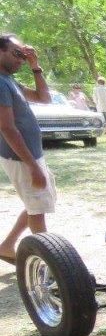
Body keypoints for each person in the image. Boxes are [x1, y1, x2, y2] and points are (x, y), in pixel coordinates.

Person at [0, 34, 55, 266]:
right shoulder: (0, 83)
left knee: (36, 204)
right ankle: (48, 263)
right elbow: (7, 128)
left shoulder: (9, 81)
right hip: (21, 158)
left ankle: (6, 246)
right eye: (17, 54)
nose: (21, 59)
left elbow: (44, 98)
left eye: (24, 55)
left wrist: (36, 66)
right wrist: (32, 166)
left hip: (31, 156)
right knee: (37, 208)